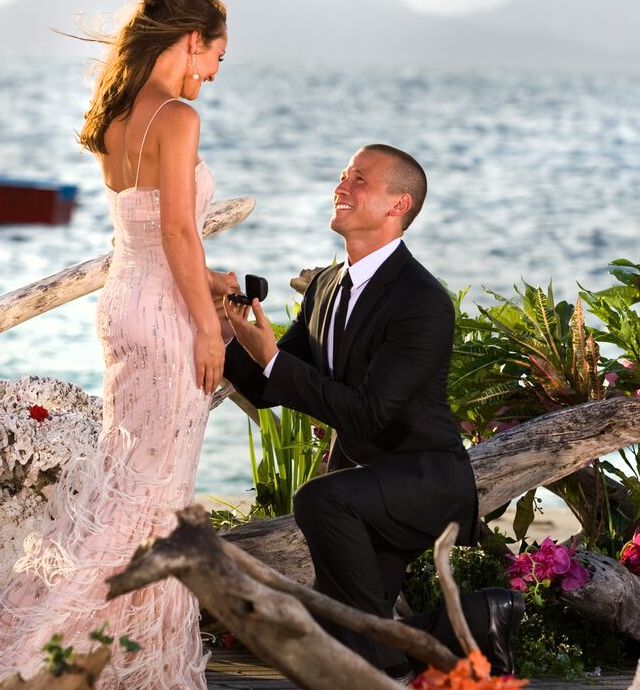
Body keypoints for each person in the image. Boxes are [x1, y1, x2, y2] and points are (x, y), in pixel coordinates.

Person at [0, 0, 231, 690]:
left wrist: (211, 280)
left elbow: (147, 231)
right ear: (193, 41)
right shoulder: (178, 116)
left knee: (124, 487)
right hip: (163, 320)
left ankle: (76, 648)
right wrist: (208, 327)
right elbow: (179, 231)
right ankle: (63, 658)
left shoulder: (119, 114)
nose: (215, 72)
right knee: (150, 501)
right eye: (217, 55)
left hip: (123, 305)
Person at [221, 144, 523, 681]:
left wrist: (271, 359)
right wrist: (227, 334)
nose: (342, 186)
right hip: (362, 485)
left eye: (359, 179)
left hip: (424, 482)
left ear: (397, 204)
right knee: (335, 639)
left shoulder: (421, 300)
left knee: (318, 498)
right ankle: (481, 616)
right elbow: (269, 388)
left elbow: (369, 414)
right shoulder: (325, 286)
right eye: (342, 175)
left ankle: (391, 672)